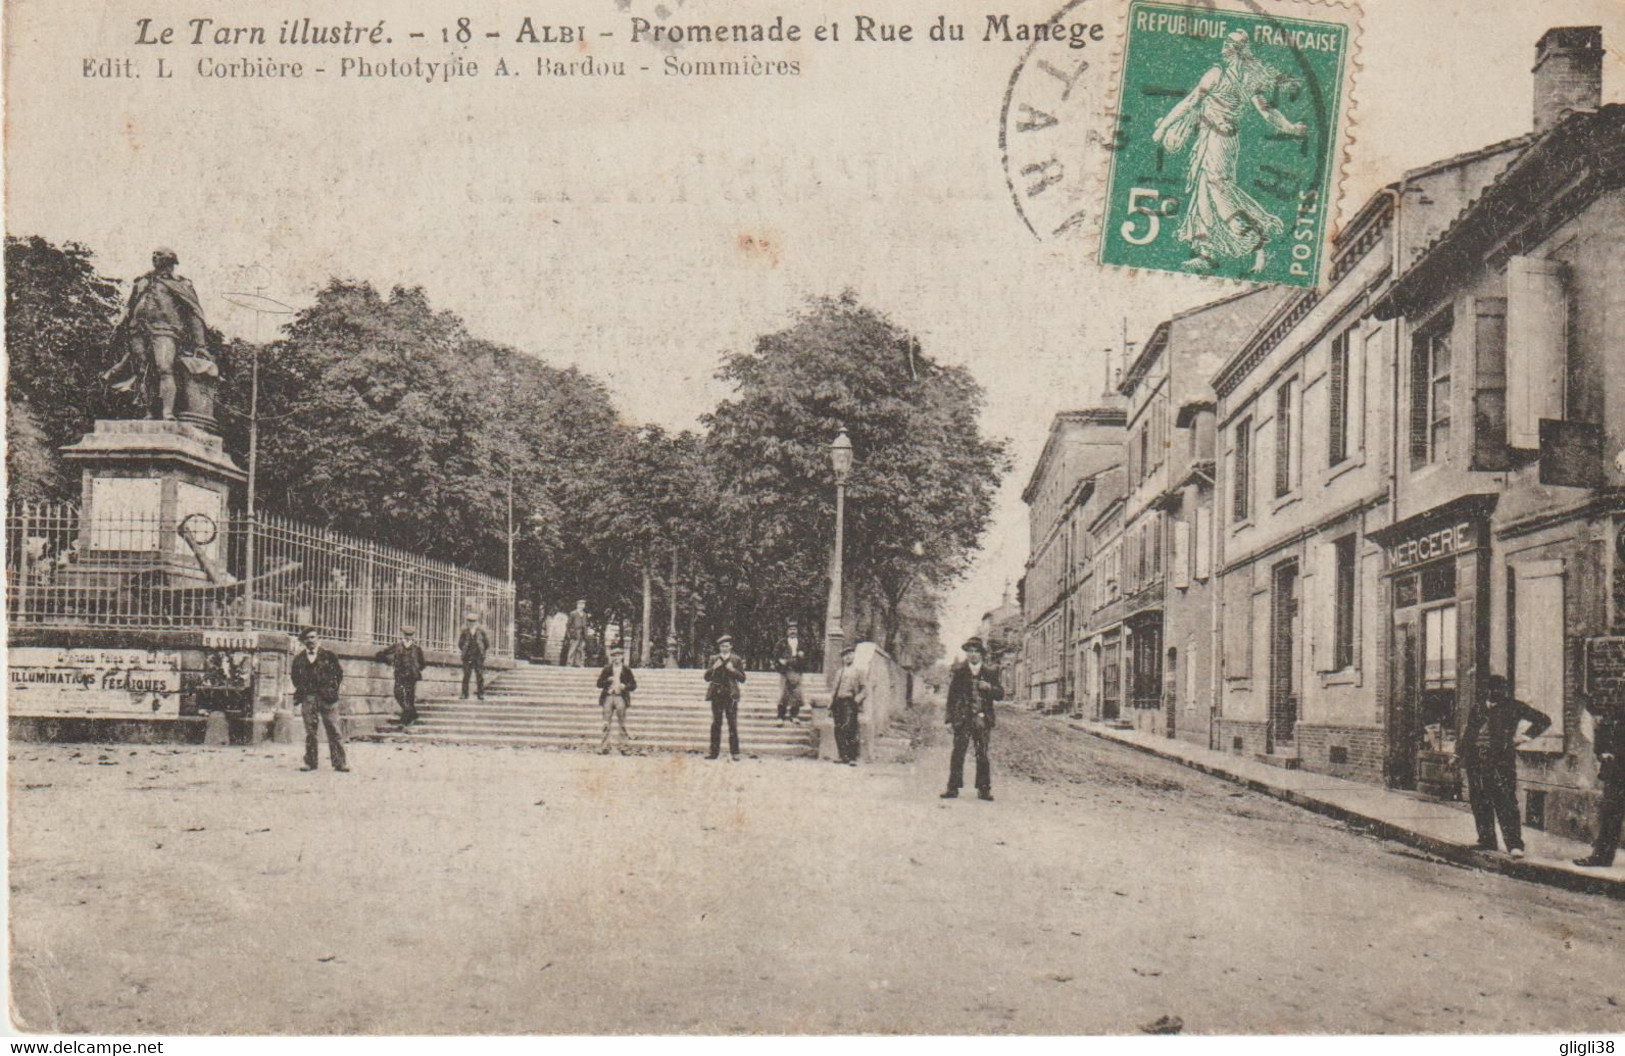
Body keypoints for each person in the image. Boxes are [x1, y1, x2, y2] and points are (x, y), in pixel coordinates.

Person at [1152, 30, 1307, 275]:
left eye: (1227, 44)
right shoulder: (1244, 78)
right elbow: (1267, 112)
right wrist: (1290, 127)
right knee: (1204, 190)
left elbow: (1190, 102)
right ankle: (1207, 253)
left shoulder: (1221, 75)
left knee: (1217, 187)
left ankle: (1255, 234)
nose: (1223, 47)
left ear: (1235, 49)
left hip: (1218, 140)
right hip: (1214, 138)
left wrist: (1161, 128)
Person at [101, 247, 216, 421]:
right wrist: (120, 323)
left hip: (165, 330)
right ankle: (148, 412)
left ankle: (167, 412)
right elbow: (130, 306)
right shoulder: (142, 281)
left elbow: (194, 314)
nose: (155, 257)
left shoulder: (181, 284)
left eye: (159, 254)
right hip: (137, 330)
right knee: (142, 371)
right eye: (153, 254)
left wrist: (200, 345)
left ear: (171, 260)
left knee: (164, 368)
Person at [1459, 674, 1551, 858]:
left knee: (1506, 802)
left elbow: (1544, 720)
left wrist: (1523, 737)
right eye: (1490, 689)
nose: (1493, 693)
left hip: (1501, 762)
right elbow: (1469, 733)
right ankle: (1486, 840)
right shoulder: (1478, 708)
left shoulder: (1514, 706)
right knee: (1480, 801)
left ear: (1504, 691)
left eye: (1498, 689)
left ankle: (1515, 845)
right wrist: (1458, 755)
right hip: (1476, 762)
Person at [942, 637, 1002, 802]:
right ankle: (952, 788)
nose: (973, 654)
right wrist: (949, 720)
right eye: (970, 651)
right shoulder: (959, 672)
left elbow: (1000, 694)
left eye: (976, 651)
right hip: (962, 719)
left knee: (982, 754)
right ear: (966, 653)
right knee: (958, 753)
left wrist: (989, 687)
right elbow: (951, 697)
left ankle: (983, 790)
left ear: (981, 654)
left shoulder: (990, 672)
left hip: (982, 719)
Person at [1574, 699, 1623, 868]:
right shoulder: (1617, 707)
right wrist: (1602, 751)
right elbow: (1605, 729)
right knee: (1611, 814)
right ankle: (1602, 857)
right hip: (1617, 772)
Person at [291, 628, 347, 772]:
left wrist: (331, 690)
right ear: (303, 641)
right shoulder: (299, 659)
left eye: (313, 637)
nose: (311, 640)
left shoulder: (329, 656)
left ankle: (339, 762)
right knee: (310, 731)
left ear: (317, 638)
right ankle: (310, 762)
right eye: (307, 638)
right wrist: (303, 691)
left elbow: (338, 674)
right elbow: (295, 677)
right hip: (308, 697)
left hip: (327, 698)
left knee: (334, 729)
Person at [703, 634, 747, 761]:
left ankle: (735, 752)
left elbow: (743, 679)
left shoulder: (736, 659)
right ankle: (714, 752)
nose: (724, 648)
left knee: (732, 723)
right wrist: (713, 668)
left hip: (731, 695)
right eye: (722, 646)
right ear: (719, 647)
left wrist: (733, 670)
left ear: (731, 647)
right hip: (716, 694)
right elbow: (706, 677)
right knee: (716, 723)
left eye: (726, 646)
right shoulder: (713, 658)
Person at [374, 625, 426, 726]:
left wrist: (416, 668)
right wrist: (389, 661)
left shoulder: (417, 648)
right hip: (400, 674)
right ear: (403, 634)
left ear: (413, 636)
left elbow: (423, 663)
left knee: (409, 697)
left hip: (411, 676)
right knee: (398, 694)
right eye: (406, 635)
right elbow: (381, 654)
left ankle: (406, 720)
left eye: (410, 635)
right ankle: (412, 714)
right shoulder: (397, 646)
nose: (408, 637)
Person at [597, 643, 638, 754]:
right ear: (612, 657)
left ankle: (624, 747)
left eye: (618, 656)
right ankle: (604, 747)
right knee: (606, 723)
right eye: (614, 656)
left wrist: (625, 687)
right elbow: (599, 684)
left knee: (622, 723)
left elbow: (634, 685)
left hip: (620, 697)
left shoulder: (626, 669)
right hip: (608, 697)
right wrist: (607, 681)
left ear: (622, 657)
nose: (616, 658)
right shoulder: (607, 669)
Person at [829, 645, 867, 766]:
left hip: (850, 702)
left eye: (850, 654)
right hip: (838, 703)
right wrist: (831, 704)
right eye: (845, 655)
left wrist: (857, 700)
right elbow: (834, 689)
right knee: (838, 728)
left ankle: (852, 757)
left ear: (854, 656)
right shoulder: (839, 672)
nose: (847, 657)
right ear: (842, 658)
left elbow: (865, 690)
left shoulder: (859, 672)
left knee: (849, 727)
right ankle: (842, 755)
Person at [774, 621, 809, 726]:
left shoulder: (802, 642)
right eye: (790, 629)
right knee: (784, 693)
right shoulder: (781, 643)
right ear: (787, 631)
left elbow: (809, 655)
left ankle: (794, 716)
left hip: (797, 669)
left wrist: (803, 656)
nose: (792, 631)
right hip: (785, 670)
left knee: (796, 694)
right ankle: (780, 716)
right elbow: (775, 655)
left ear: (797, 631)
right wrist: (780, 661)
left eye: (794, 629)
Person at [458, 613, 490, 700]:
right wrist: (465, 651)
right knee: (466, 675)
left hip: (478, 656)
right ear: (467, 621)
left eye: (473, 621)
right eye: (469, 621)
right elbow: (460, 644)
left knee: (479, 675)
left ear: (477, 622)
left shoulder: (481, 631)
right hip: (467, 656)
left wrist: (481, 651)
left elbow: (486, 644)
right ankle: (464, 694)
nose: (471, 623)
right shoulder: (464, 631)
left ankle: (480, 694)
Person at [565, 600, 590, 667]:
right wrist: (571, 633)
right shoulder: (573, 613)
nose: (582, 606)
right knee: (572, 649)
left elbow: (585, 625)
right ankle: (569, 663)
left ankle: (579, 663)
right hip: (575, 633)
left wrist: (586, 634)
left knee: (581, 649)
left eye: (583, 605)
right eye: (580, 604)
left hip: (582, 634)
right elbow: (568, 625)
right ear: (577, 605)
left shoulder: (584, 614)